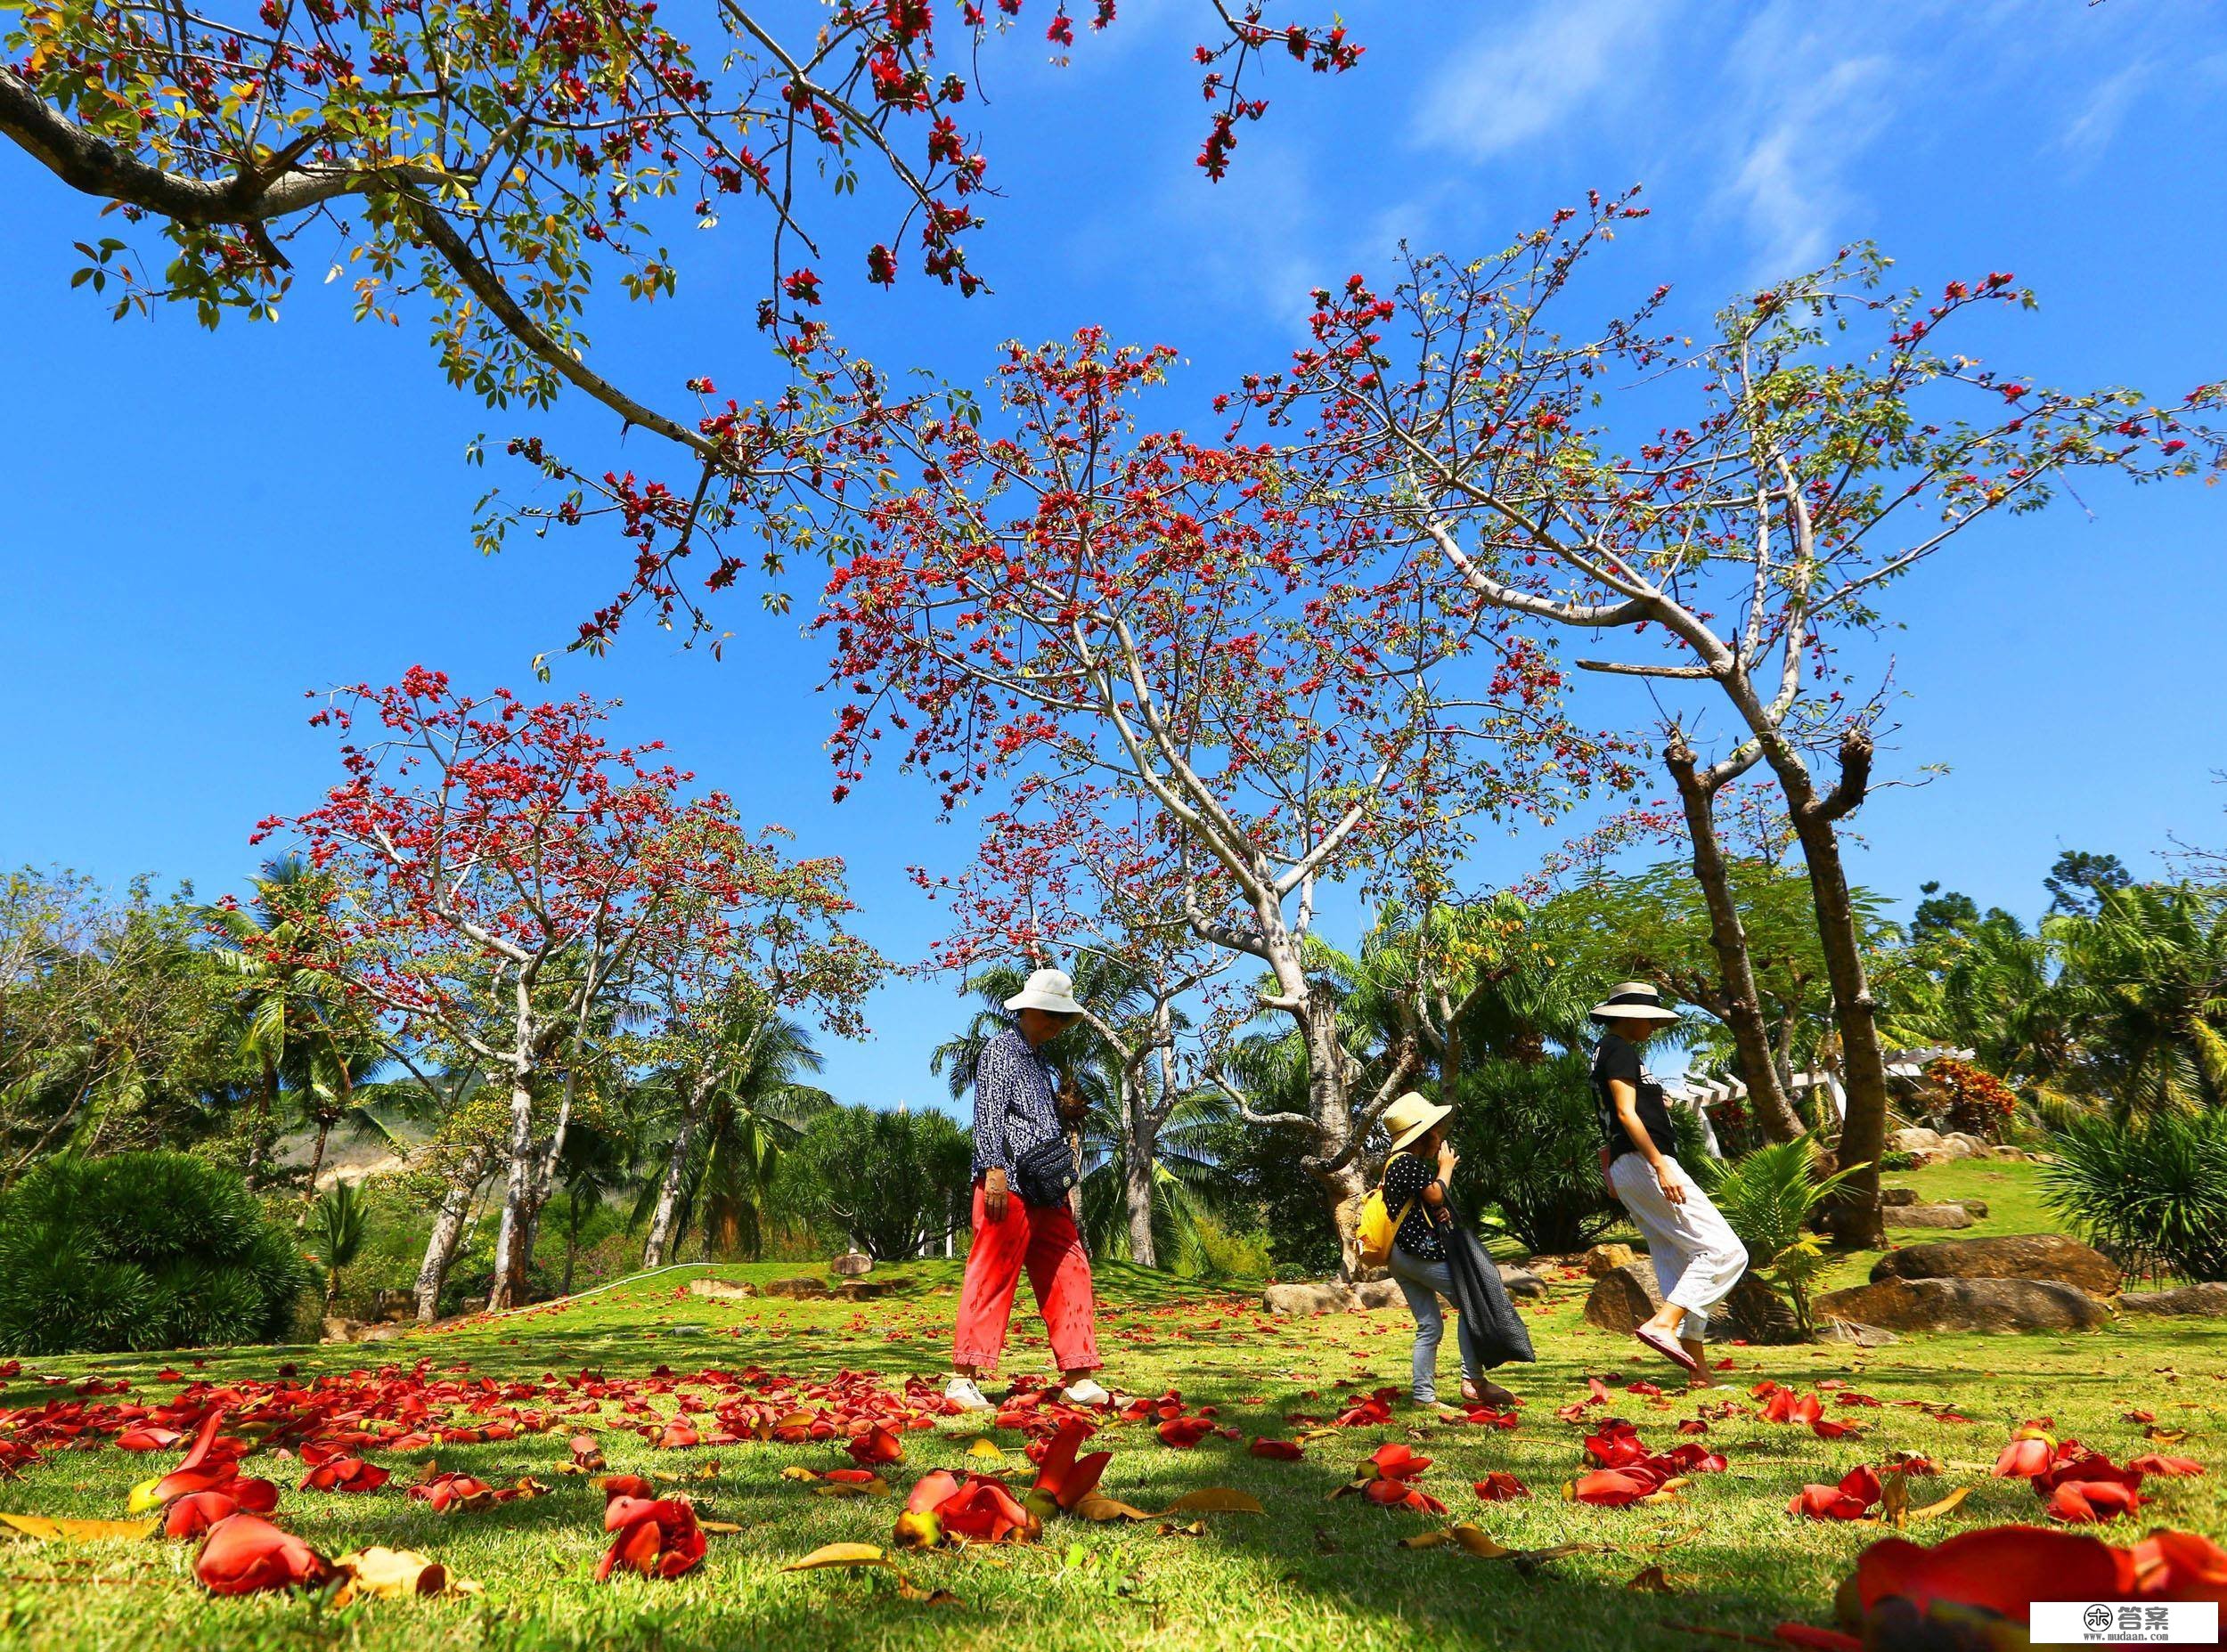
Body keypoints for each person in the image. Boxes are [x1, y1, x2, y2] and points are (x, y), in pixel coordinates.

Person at [946, 966, 1110, 1412]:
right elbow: (988, 1113)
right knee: (993, 1273)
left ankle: (1078, 1376)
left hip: (1047, 1188)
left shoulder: (1042, 1062)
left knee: (1071, 1268)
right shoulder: (1000, 1049)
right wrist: (994, 1168)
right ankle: (964, 1379)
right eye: (1049, 1014)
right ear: (1027, 1010)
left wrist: (1064, 1190)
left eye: (1062, 1017)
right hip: (1007, 1183)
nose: (1056, 1023)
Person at [1590, 981, 1747, 1381]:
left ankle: (1699, 1372)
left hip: (1629, 1165)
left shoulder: (1608, 1052)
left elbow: (1611, 1117)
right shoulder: (1619, 1049)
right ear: (1627, 1017)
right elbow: (1625, 1115)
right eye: (1650, 1018)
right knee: (1725, 1252)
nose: (1655, 1027)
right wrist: (1660, 1165)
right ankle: (1663, 1324)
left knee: (1680, 1264)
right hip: (1646, 1162)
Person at [1376, 1091, 1534, 1412]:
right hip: (1416, 1252)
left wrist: (1439, 1208)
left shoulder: (1395, 1164)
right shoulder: (1406, 1162)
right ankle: (1473, 1381)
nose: (1439, 1135)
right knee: (1470, 1300)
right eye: (1434, 1129)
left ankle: (1424, 1397)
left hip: (1400, 1257)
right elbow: (1435, 1195)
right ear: (1421, 1134)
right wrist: (1445, 1167)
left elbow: (1425, 1205)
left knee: (1430, 1325)